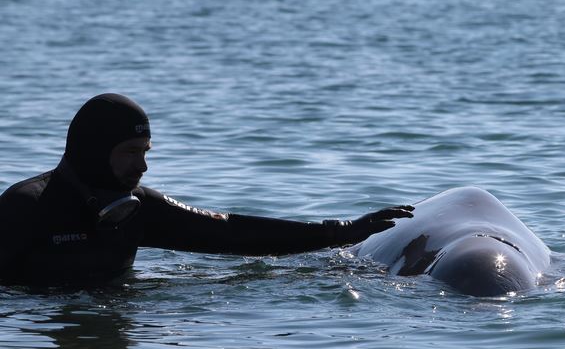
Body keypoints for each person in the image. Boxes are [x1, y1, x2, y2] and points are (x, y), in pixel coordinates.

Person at [0, 93, 413, 286]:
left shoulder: (139, 209)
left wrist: (340, 232)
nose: (142, 166)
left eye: (146, 151)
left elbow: (230, 233)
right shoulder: (27, 206)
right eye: (129, 152)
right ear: (94, 150)